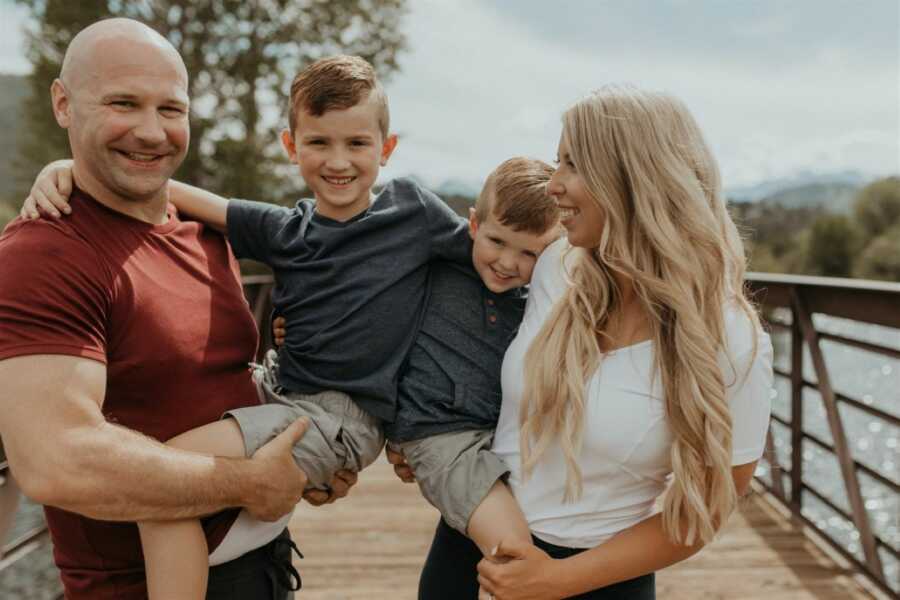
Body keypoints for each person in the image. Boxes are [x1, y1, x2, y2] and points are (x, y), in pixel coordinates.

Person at [0, 19, 354, 600]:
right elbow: (55, 461)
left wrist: (303, 468)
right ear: (64, 104)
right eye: (123, 103)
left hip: (259, 565)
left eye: (171, 109)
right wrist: (251, 483)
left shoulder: (202, 231)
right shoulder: (44, 254)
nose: (150, 131)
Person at [392, 86, 774, 600]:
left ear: (631, 178)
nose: (553, 186)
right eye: (557, 162)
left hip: (597, 583)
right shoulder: (555, 266)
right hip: (465, 554)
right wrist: (425, 429)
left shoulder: (731, 338)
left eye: (572, 164)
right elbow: (464, 326)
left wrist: (557, 580)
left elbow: (705, 511)